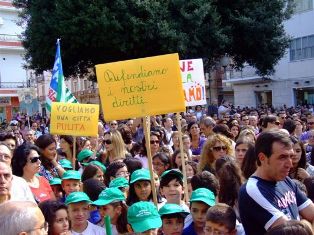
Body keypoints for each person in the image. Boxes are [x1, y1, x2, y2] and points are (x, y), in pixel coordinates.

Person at [239, 130, 314, 235]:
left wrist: (303, 224)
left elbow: (312, 214)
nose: (290, 164)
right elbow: (292, 233)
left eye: (290, 156)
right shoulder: (252, 189)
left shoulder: (286, 180)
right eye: (282, 157)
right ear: (262, 158)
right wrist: (305, 223)